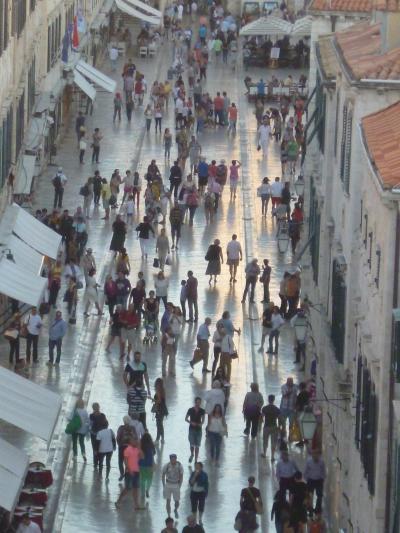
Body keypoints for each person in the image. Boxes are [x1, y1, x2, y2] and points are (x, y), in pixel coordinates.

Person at [115, 436, 144, 510]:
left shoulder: (137, 449)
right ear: (131, 441)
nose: (135, 442)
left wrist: (139, 448)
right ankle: (118, 501)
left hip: (137, 471)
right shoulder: (127, 449)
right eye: (134, 440)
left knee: (136, 488)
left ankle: (136, 505)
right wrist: (129, 470)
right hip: (129, 472)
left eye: (136, 440)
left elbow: (142, 457)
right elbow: (125, 461)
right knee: (127, 488)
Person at [162, 454, 184, 518]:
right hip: (168, 484)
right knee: (168, 501)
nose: (173, 460)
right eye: (172, 459)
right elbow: (163, 475)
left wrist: (180, 485)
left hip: (176, 484)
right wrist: (163, 485)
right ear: (170, 459)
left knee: (177, 501)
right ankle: (169, 515)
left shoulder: (179, 466)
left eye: (174, 459)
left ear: (176, 459)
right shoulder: (166, 465)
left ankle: (175, 509)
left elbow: (181, 476)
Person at [185, 397, 205, 463]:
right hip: (192, 429)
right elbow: (186, 419)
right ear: (195, 402)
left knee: (197, 445)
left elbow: (203, 420)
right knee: (192, 444)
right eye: (197, 402)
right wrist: (191, 422)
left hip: (199, 429)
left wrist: (201, 424)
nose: (198, 403)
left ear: (200, 403)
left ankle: (196, 460)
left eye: (199, 402)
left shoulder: (202, 410)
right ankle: (192, 454)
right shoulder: (190, 410)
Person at [261, 395, 281, 460]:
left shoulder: (264, 408)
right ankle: (272, 456)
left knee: (265, 441)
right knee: (273, 442)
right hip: (274, 427)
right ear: (274, 400)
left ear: (268, 399)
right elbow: (279, 419)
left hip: (266, 426)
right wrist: (279, 427)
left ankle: (264, 453)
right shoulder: (277, 409)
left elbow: (262, 417)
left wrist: (261, 422)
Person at [139, 432, 156, 503]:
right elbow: (154, 453)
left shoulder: (140, 445)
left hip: (142, 464)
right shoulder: (151, 445)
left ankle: (142, 494)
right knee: (149, 479)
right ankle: (147, 490)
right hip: (149, 464)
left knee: (142, 479)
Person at [90, 403, 107, 468]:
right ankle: (100, 462)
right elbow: (106, 424)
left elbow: (90, 425)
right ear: (99, 407)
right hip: (101, 434)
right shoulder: (103, 415)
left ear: (93, 408)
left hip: (94, 434)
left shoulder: (91, 416)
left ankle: (95, 463)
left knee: (95, 448)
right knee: (100, 448)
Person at [153, 377, 168, 443]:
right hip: (163, 409)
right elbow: (162, 400)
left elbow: (159, 401)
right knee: (160, 424)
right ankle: (162, 439)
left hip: (159, 409)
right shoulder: (163, 390)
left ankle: (158, 439)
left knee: (159, 424)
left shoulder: (158, 391)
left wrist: (153, 400)